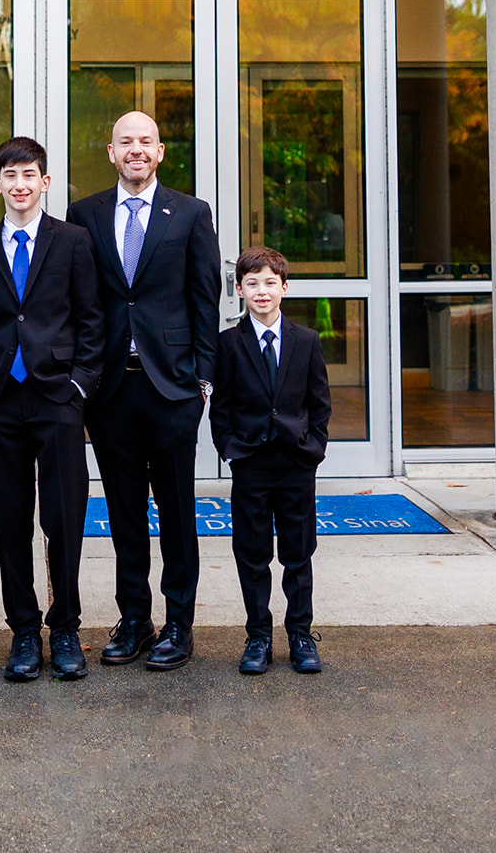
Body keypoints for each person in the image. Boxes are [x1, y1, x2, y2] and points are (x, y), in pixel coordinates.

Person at [68, 110, 221, 671]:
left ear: (160, 152)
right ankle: (134, 617)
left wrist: (203, 379)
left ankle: (179, 622)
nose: (136, 149)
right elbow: (78, 302)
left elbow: (205, 299)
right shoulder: (83, 216)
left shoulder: (189, 213)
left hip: (173, 387)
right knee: (124, 510)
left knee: (177, 511)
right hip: (110, 390)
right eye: (125, 141)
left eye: (146, 141)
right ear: (110, 152)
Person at [0, 137, 104, 682]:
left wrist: (79, 385)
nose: (20, 185)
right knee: (12, 518)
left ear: (45, 182)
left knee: (64, 518)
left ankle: (65, 626)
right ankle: (23, 630)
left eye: (30, 175)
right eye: (10, 176)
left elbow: (92, 318)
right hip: (0, 399)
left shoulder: (72, 241)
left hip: (58, 398)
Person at [210, 246, 331, 677]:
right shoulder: (228, 344)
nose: (261, 291)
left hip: (296, 464)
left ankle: (300, 633)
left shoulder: (306, 341)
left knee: (298, 553)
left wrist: (314, 447)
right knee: (252, 552)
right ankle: (258, 634)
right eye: (252, 283)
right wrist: (230, 448)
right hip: (251, 463)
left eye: (269, 283)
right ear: (239, 290)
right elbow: (220, 408)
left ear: (285, 287)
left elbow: (319, 403)